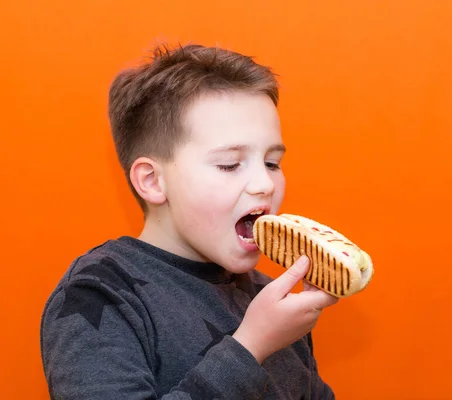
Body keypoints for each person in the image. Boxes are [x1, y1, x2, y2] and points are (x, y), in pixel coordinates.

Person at [40, 43, 338, 399]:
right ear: (152, 181)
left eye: (272, 163)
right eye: (230, 164)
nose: (264, 184)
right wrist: (251, 347)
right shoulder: (97, 295)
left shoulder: (269, 300)